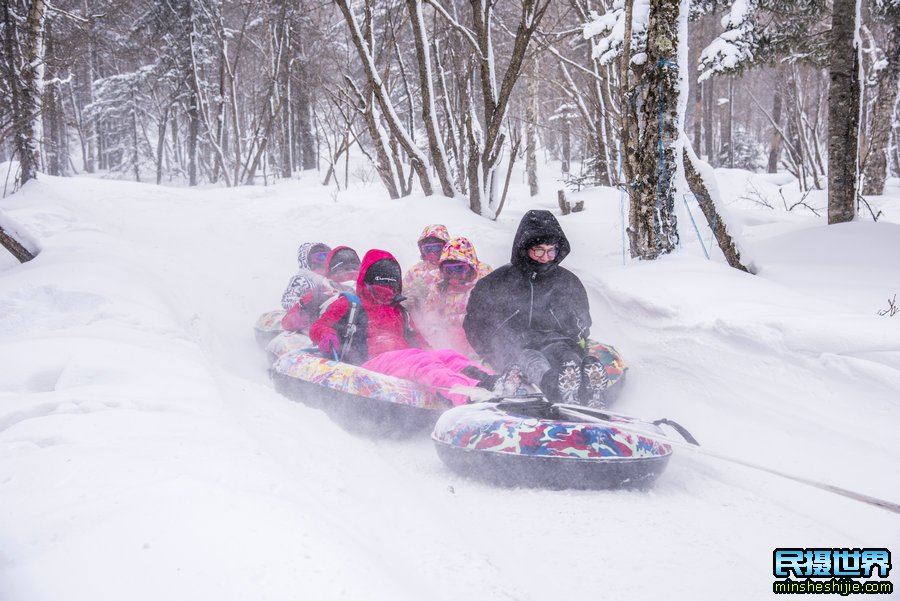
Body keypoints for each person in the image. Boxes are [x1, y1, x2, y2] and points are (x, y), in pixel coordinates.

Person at [309, 249, 498, 406]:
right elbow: (319, 326)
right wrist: (326, 335)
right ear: (366, 283)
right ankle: (467, 395)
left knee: (447, 355)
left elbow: (421, 344)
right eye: (381, 287)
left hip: (402, 362)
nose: (387, 293)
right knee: (418, 359)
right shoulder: (351, 304)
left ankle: (494, 382)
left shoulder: (400, 311)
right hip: (369, 364)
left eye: (391, 288)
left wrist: (436, 356)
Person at [463, 209, 607, 406]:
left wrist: (575, 339)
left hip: (555, 340)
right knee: (532, 359)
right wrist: (490, 351)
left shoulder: (567, 282)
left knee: (565, 354)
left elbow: (581, 321)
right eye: (539, 250)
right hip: (514, 346)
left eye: (551, 251)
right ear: (525, 249)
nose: (546, 257)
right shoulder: (496, 283)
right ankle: (555, 389)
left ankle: (589, 388)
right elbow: (475, 323)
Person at [419, 237, 492, 357]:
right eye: (449, 270)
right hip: (448, 338)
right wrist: (434, 326)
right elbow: (430, 310)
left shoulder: (483, 284)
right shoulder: (441, 287)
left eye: (459, 268)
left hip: (478, 338)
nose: (454, 275)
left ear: (471, 269)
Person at [281, 245, 360, 333]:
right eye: (317, 262)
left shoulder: (325, 288)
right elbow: (287, 300)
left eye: (326, 258)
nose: (321, 265)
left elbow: (289, 322)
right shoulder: (302, 280)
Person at [403, 224, 450, 320]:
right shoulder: (415, 271)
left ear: (445, 248)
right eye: (428, 249)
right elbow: (403, 297)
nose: (432, 253)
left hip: (448, 319)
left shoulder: (454, 268)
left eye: (437, 249)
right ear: (422, 250)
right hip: (421, 321)